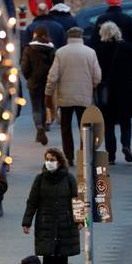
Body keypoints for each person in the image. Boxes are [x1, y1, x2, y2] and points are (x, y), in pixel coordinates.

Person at [22, 149, 80, 264]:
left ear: (60, 162)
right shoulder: (40, 179)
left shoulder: (69, 179)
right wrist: (27, 222)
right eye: (47, 159)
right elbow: (32, 201)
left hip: (64, 223)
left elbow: (76, 199)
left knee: (61, 257)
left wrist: (79, 219)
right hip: (46, 223)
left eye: (52, 159)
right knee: (48, 257)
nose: (49, 162)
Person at [45, 26, 102, 166]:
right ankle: (84, 155)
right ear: (81, 37)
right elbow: (97, 76)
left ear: (68, 37)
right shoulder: (90, 52)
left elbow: (53, 76)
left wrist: (48, 92)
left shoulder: (61, 52)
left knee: (65, 128)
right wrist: (91, 86)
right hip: (84, 97)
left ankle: (69, 156)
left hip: (65, 97)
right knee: (85, 127)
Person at [94, 21, 132, 164]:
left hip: (107, 92)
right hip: (125, 90)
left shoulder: (99, 50)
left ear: (102, 33)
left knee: (108, 124)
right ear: (118, 32)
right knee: (125, 121)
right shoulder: (127, 48)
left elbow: (95, 72)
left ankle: (110, 156)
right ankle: (126, 145)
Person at [21, 25, 56, 145]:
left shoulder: (29, 48)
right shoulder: (52, 48)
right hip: (48, 81)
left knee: (36, 106)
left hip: (34, 82)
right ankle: (45, 125)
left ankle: (39, 127)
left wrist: (29, 77)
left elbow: (25, 68)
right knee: (45, 104)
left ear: (35, 34)